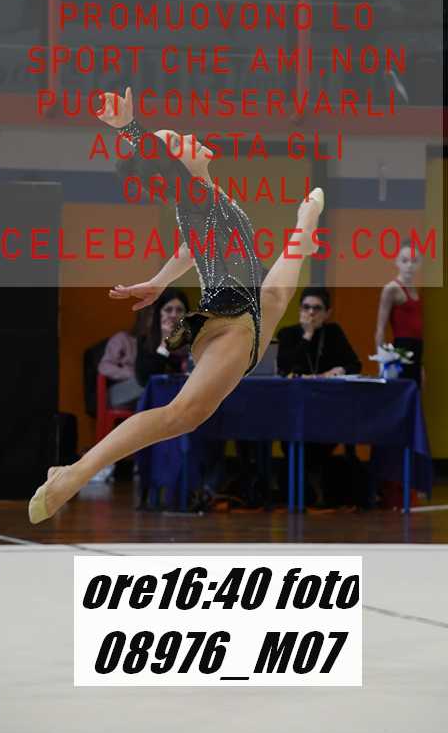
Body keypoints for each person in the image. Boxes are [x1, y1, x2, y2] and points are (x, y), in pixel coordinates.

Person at [28, 85, 325, 523]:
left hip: (249, 313)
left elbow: (189, 250)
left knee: (277, 294)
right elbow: (158, 164)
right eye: (177, 141)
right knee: (180, 416)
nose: (188, 137)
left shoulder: (206, 200)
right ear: (173, 167)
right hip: (230, 317)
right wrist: (129, 127)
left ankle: (305, 228)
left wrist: (157, 281)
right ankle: (73, 473)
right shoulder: (194, 196)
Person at [276, 287, 362, 506]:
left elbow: (354, 364)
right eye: (306, 307)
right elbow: (285, 367)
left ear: (327, 313)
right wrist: (307, 336)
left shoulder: (334, 333)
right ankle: (302, 489)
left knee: (324, 441)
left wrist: (340, 369)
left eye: (317, 308)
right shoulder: (288, 334)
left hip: (327, 408)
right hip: (294, 409)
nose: (311, 313)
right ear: (299, 310)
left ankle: (320, 487)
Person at [374, 241, 424, 387]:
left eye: (414, 261)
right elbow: (380, 329)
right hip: (402, 350)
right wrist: (382, 364)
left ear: (419, 264)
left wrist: (420, 365)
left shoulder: (415, 289)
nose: (409, 265)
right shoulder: (391, 289)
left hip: (416, 350)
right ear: (397, 262)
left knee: (416, 393)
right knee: (403, 394)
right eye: (405, 261)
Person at [134, 288, 191, 387]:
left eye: (179, 310)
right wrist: (165, 341)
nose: (174, 315)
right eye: (168, 310)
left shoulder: (195, 339)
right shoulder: (146, 341)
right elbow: (145, 380)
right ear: (158, 314)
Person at [98, 309, 151, 409]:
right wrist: (130, 373)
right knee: (146, 383)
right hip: (120, 393)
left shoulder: (157, 345)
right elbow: (104, 367)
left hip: (144, 396)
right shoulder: (123, 339)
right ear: (141, 319)